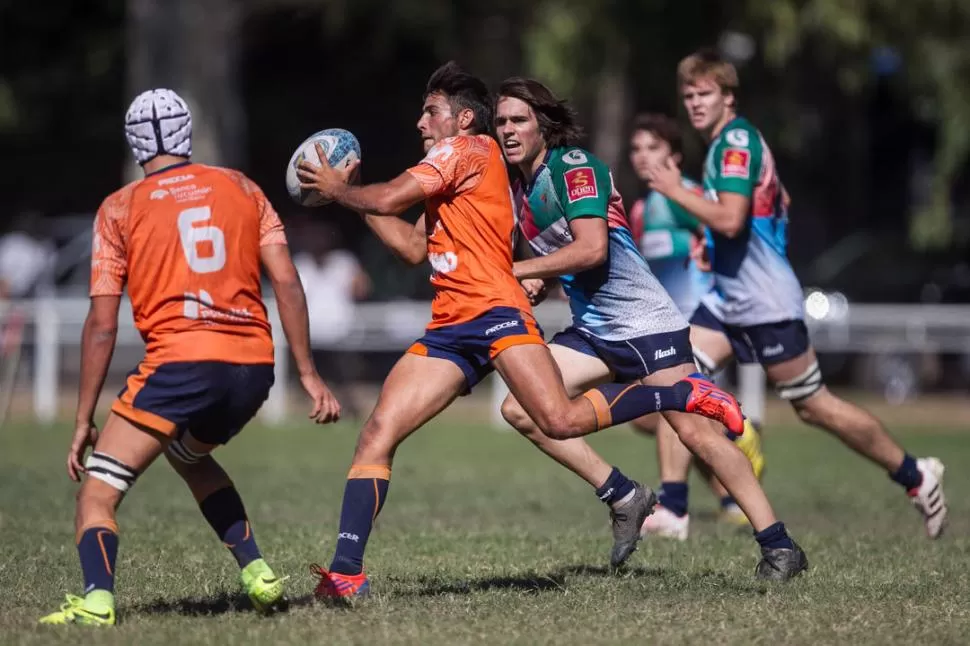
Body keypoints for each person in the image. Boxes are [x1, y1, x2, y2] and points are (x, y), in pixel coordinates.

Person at [296, 62, 747, 599]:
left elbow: (390, 196)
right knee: (376, 433)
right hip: (450, 324)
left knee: (558, 418)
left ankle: (680, 391)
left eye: (431, 111)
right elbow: (413, 247)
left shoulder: (466, 148)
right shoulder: (449, 167)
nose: (420, 122)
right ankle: (346, 574)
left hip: (495, 311)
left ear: (464, 118)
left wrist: (342, 190)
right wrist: (349, 197)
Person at [40, 89, 341, 627]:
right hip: (252, 368)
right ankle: (257, 573)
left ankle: (95, 603)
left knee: (97, 495)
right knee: (190, 456)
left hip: (181, 364)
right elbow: (288, 284)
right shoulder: (242, 187)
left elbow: (103, 326)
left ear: (134, 144)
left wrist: (84, 418)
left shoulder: (119, 208)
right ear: (187, 134)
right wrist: (310, 375)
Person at [493, 77, 805, 581]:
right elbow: (571, 263)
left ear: (543, 125)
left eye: (519, 120)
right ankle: (625, 494)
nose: (508, 130)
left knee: (696, 435)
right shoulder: (522, 191)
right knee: (520, 408)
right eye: (501, 121)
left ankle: (780, 545)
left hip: (646, 326)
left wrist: (518, 272)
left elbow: (594, 249)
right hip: (594, 330)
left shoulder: (573, 168)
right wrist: (541, 284)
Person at [642, 49, 947, 540]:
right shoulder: (724, 144)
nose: (695, 103)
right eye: (689, 96)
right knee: (678, 377)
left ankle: (914, 473)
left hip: (764, 300)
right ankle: (675, 508)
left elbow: (733, 217)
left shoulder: (736, 141)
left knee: (813, 404)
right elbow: (754, 215)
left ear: (728, 97)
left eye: (705, 94)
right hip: (728, 297)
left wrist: (675, 189)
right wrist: (709, 244)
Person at [627, 114, 764, 535]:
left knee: (673, 409)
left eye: (654, 148)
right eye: (636, 149)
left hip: (700, 324)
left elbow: (725, 227)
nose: (643, 156)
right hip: (663, 327)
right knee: (655, 418)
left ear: (675, 156)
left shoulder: (684, 194)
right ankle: (731, 479)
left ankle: (675, 506)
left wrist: (709, 246)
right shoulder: (640, 208)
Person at [292, 218, 371, 419]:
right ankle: (315, 411)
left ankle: (349, 410)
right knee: (313, 378)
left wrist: (358, 283)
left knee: (344, 379)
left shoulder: (344, 262)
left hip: (341, 332)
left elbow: (363, 288)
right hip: (311, 334)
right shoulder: (300, 264)